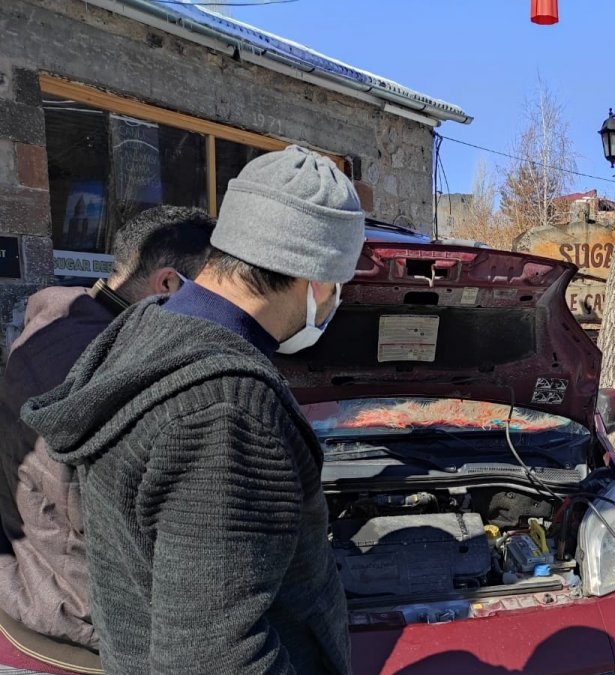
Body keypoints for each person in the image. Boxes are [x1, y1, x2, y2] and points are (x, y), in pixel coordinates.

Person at [22, 146, 364, 675]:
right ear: (317, 280)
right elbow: (215, 660)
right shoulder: (226, 413)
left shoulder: (145, 330)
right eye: (339, 286)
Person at [0, 205, 214, 675]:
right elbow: (121, 521)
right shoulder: (101, 370)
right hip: (85, 616)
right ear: (169, 284)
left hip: (40, 580)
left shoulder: (66, 324)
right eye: (213, 292)